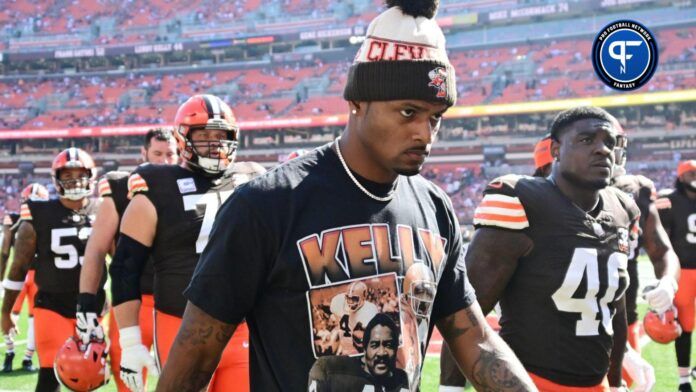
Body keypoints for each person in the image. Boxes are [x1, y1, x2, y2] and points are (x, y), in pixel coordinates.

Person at [156, 2, 536, 391]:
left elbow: (476, 342)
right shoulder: (268, 204)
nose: (425, 133)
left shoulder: (435, 208)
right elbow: (196, 355)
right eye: (408, 112)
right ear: (357, 102)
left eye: (435, 117)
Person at [468, 106, 640, 391]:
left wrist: (616, 380)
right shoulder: (520, 198)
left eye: (609, 142)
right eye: (587, 140)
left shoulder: (622, 209)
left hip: (597, 383)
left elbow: (615, 306)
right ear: (556, 150)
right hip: (528, 380)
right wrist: (447, 387)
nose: (602, 150)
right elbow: (466, 312)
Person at [109, 94, 265, 392]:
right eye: (204, 135)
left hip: (242, 327)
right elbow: (125, 266)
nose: (214, 143)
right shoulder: (157, 184)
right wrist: (129, 341)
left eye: (221, 136)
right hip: (179, 325)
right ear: (183, 137)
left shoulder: (252, 179)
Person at [77, 128, 178, 392]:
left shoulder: (190, 186)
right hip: (134, 304)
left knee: (184, 381)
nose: (164, 161)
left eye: (170, 154)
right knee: (130, 385)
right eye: (157, 153)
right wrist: (87, 301)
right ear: (143, 153)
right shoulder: (121, 187)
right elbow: (96, 248)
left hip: (180, 302)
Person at [1, 148, 102, 391]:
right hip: (52, 305)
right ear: (57, 179)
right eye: (68, 175)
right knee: (51, 374)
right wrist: (6, 312)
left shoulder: (103, 210)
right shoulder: (39, 213)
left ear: (92, 175)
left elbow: (122, 261)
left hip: (92, 307)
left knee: (89, 376)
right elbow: (19, 267)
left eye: (81, 174)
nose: (75, 180)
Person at [657, 160, 696, 392]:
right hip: (684, 272)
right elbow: (660, 241)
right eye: (691, 173)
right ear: (681, 176)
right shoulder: (669, 201)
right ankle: (684, 379)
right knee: (685, 324)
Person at [1, 183, 49, 373]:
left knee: (28, 318)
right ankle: (17, 356)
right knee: (17, 316)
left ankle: (19, 356)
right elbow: (4, 253)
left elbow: (5, 253)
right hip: (24, 276)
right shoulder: (14, 219)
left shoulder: (16, 219)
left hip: (31, 276)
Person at [308, 313, 409, 391]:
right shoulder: (329, 370)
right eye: (374, 345)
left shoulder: (402, 380)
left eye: (388, 345)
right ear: (365, 348)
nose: (381, 352)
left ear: (396, 348)